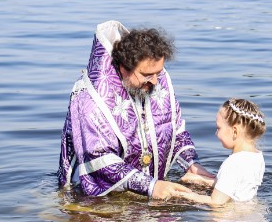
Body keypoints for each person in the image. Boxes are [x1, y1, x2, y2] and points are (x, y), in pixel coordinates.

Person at [58, 20, 214, 199]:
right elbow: (99, 158)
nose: (155, 81)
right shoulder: (91, 99)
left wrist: (192, 164)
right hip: (96, 194)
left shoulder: (156, 80)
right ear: (124, 68)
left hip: (149, 186)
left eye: (158, 73)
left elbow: (174, 130)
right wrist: (150, 186)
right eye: (147, 75)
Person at [174, 98, 266, 206]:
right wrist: (201, 180)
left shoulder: (233, 163)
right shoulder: (257, 157)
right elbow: (235, 186)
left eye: (219, 128)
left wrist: (182, 194)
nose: (216, 133)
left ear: (235, 131)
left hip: (227, 220)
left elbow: (216, 202)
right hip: (249, 214)